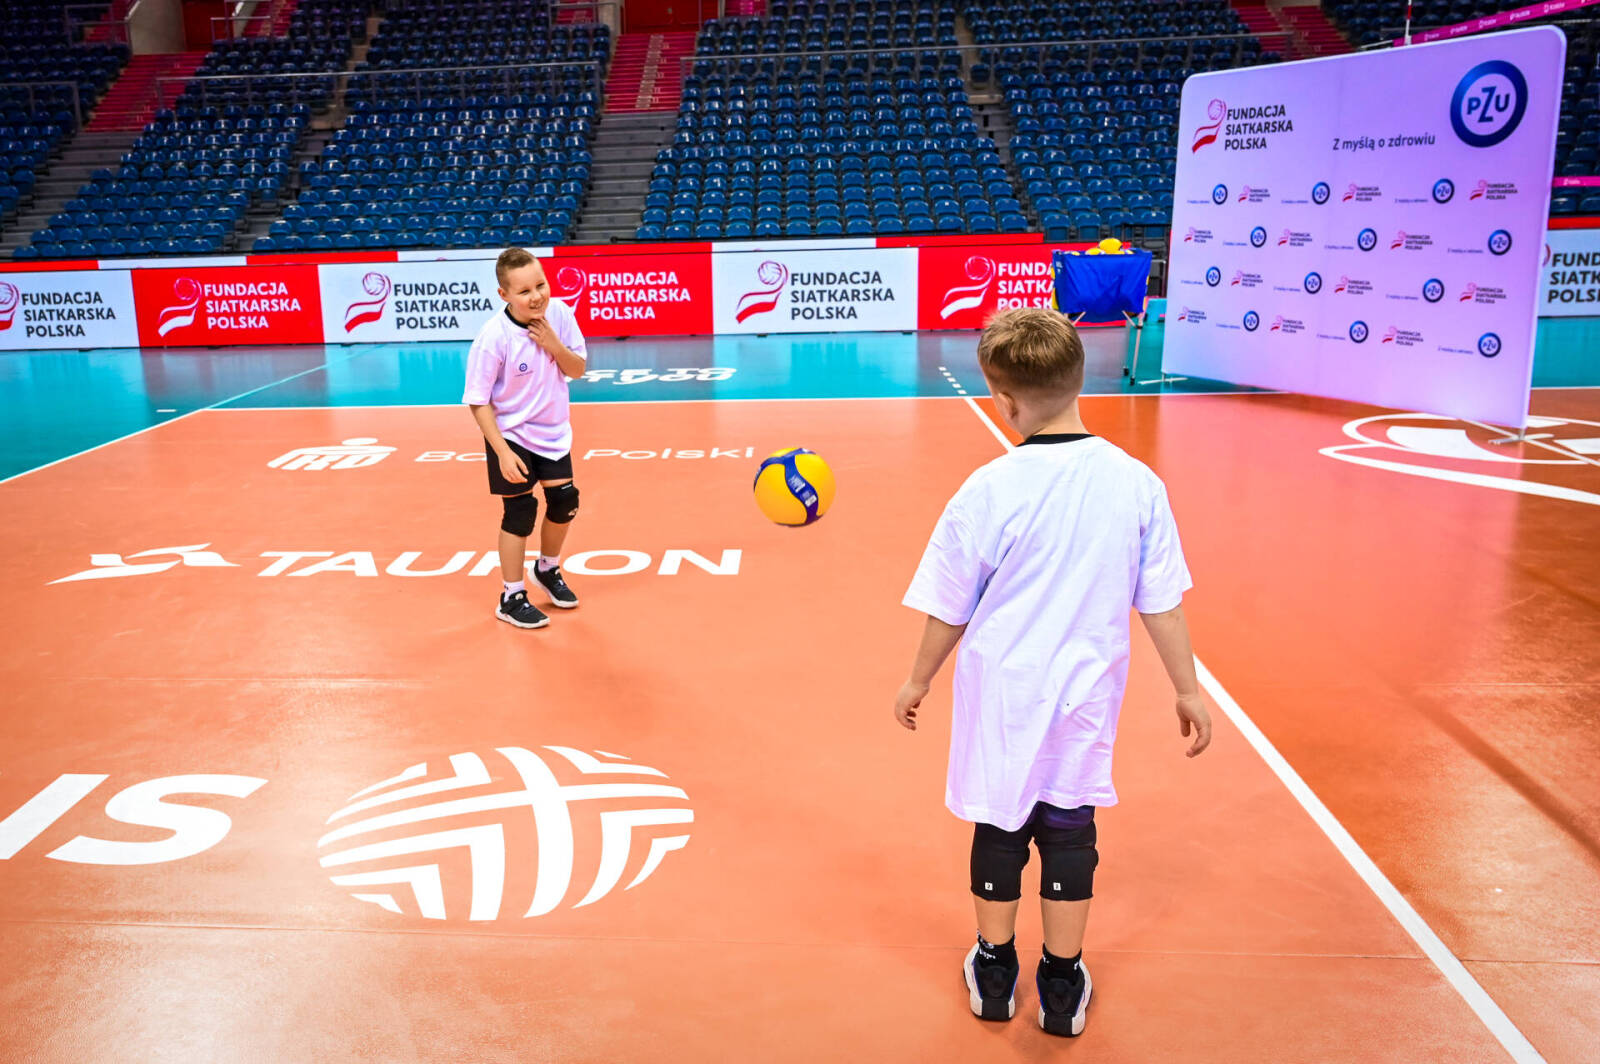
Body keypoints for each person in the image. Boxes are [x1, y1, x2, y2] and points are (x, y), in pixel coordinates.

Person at [895, 306, 1212, 1037]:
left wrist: (919, 679)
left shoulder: (986, 489)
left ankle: (994, 969)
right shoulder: (1137, 484)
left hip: (1001, 695)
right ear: (1081, 378)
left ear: (1004, 400)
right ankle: (1062, 984)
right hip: (1085, 696)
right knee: (1070, 826)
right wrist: (1187, 690)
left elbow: (949, 607)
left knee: (1000, 823)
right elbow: (1161, 602)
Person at [463, 247, 588, 629]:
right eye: (524, 291)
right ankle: (511, 596)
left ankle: (547, 569)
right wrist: (501, 451)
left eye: (541, 285)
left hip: (552, 429)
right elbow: (478, 401)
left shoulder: (560, 314)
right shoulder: (493, 337)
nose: (537, 296)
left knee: (565, 501)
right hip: (510, 433)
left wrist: (553, 344)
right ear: (504, 294)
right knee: (520, 512)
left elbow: (577, 369)